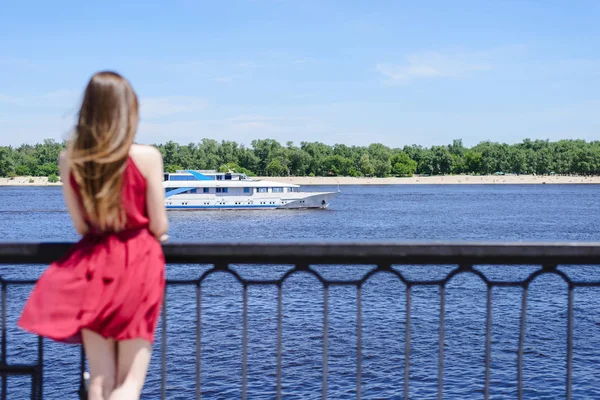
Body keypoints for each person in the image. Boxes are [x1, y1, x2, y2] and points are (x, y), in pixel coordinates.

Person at [18, 71, 169, 400]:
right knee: (130, 383)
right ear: (129, 110)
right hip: (138, 263)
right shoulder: (147, 157)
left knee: (101, 379)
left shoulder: (70, 159)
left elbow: (82, 227)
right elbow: (159, 225)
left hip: (95, 264)